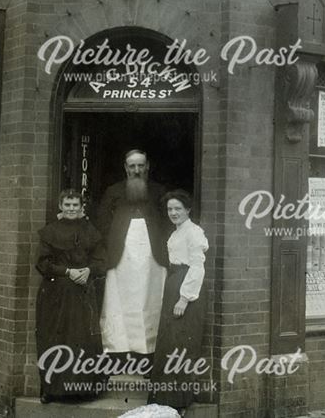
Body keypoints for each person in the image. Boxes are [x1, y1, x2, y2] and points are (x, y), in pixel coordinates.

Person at [35, 189, 107, 403]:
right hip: (55, 295)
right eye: (67, 205)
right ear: (61, 206)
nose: (71, 209)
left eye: (75, 205)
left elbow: (101, 260)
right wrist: (67, 272)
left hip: (82, 294)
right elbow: (42, 263)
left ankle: (84, 390)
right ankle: (51, 389)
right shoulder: (50, 232)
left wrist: (88, 271)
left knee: (82, 340)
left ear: (81, 207)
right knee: (53, 338)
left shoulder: (90, 231)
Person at [96, 149, 169, 356]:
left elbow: (167, 223)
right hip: (121, 257)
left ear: (147, 167)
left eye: (140, 165)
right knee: (119, 302)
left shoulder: (158, 191)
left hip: (152, 258)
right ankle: (119, 351)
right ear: (125, 168)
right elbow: (102, 223)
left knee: (151, 301)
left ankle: (149, 352)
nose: (136, 170)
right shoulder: (113, 191)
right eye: (132, 166)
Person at [148, 190, 210, 409]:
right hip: (175, 282)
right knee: (169, 341)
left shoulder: (194, 233)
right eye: (170, 209)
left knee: (180, 342)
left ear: (188, 210)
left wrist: (184, 298)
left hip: (186, 287)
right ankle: (165, 399)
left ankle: (177, 400)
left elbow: (197, 266)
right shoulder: (176, 232)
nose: (173, 213)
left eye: (178, 209)